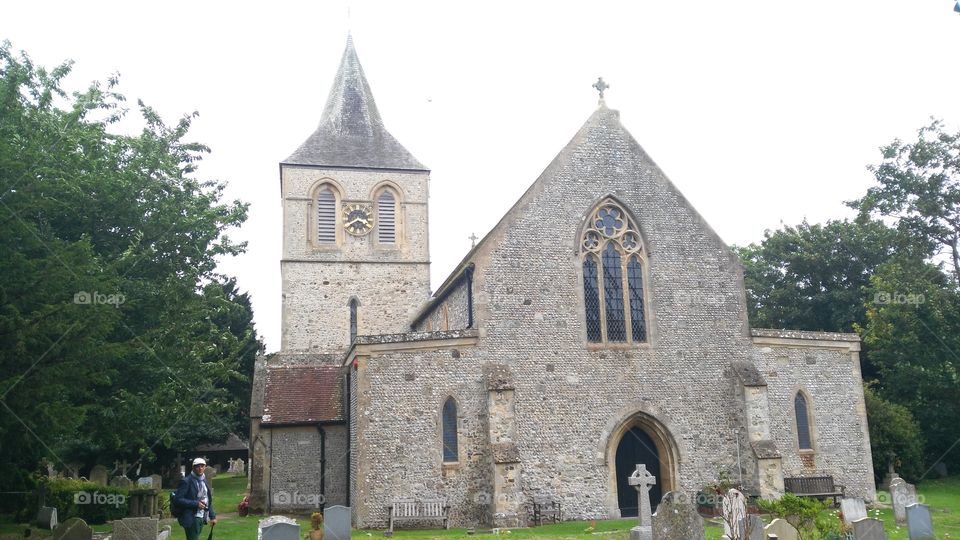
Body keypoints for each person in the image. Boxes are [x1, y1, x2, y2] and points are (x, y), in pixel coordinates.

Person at [174, 458, 217, 540]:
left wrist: (212, 516)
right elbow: (178, 499)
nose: (200, 468)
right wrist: (196, 504)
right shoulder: (186, 481)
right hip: (191, 517)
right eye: (197, 466)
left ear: (205, 467)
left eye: (202, 466)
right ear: (193, 468)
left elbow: (207, 500)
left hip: (202, 516)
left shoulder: (204, 480)